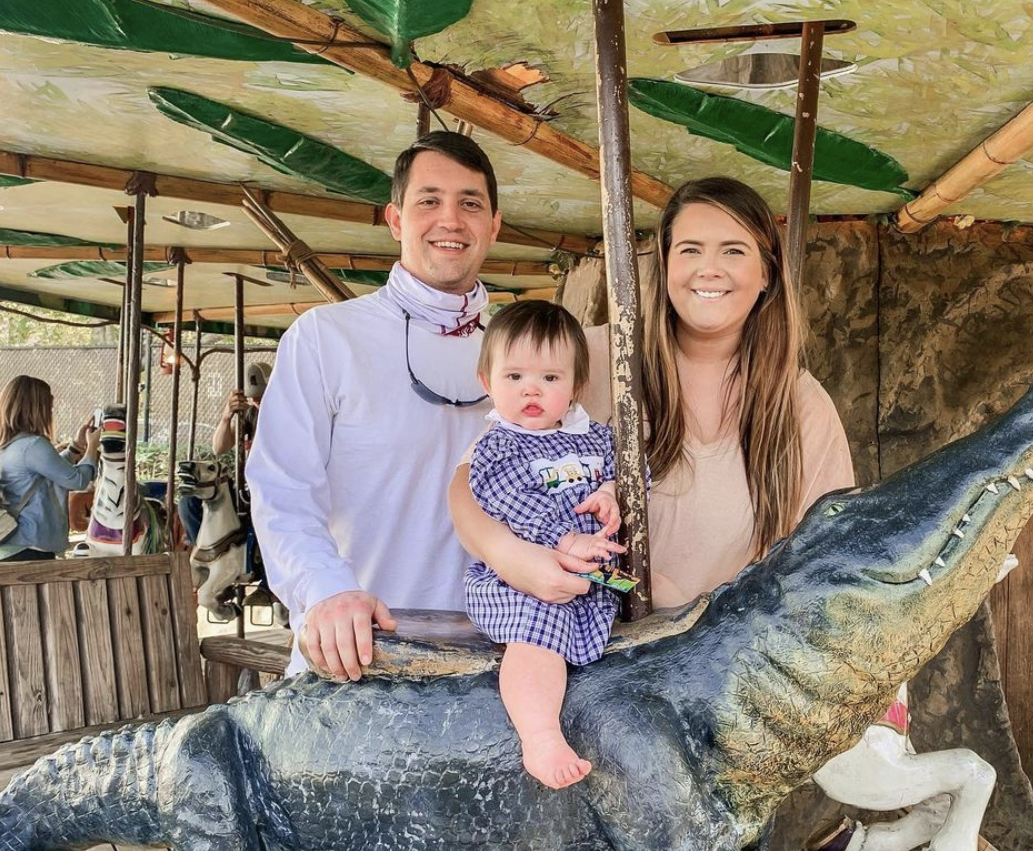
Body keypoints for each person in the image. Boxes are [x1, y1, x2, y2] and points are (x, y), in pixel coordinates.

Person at [450, 175, 853, 619]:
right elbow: (471, 482)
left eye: (734, 251)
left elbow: (835, 557)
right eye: (690, 249)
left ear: (766, 275)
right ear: (665, 265)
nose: (709, 268)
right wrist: (512, 558)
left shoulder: (798, 405)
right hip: (587, 648)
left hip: (721, 664)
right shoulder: (594, 360)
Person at [247, 130, 501, 678]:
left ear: (494, 226)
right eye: (429, 201)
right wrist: (326, 591)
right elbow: (283, 489)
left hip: (497, 665)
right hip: (359, 657)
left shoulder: (527, 346)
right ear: (395, 220)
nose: (450, 220)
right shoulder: (325, 336)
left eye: (470, 204)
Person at [466, 300, 627, 790]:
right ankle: (540, 737)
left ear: (577, 387)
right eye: (514, 376)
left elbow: (632, 471)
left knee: (661, 596)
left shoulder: (596, 438)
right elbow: (506, 497)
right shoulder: (499, 444)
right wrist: (564, 537)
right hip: (523, 579)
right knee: (539, 633)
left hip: (594, 571)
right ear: (486, 382)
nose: (531, 389)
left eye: (550, 379)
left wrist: (612, 493)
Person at [0, 375, 100, 562]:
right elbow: (77, 480)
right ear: (37, 408)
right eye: (48, 406)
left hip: (10, 546)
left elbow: (46, 471)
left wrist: (76, 447)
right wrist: (92, 448)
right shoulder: (34, 444)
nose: (51, 411)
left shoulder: (10, 445)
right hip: (30, 545)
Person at [178, 362, 272, 545]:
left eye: (261, 396)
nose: (256, 401)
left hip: (269, 486)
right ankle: (203, 550)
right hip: (244, 483)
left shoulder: (284, 414)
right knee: (189, 501)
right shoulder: (250, 414)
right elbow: (219, 448)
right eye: (253, 397)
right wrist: (227, 416)